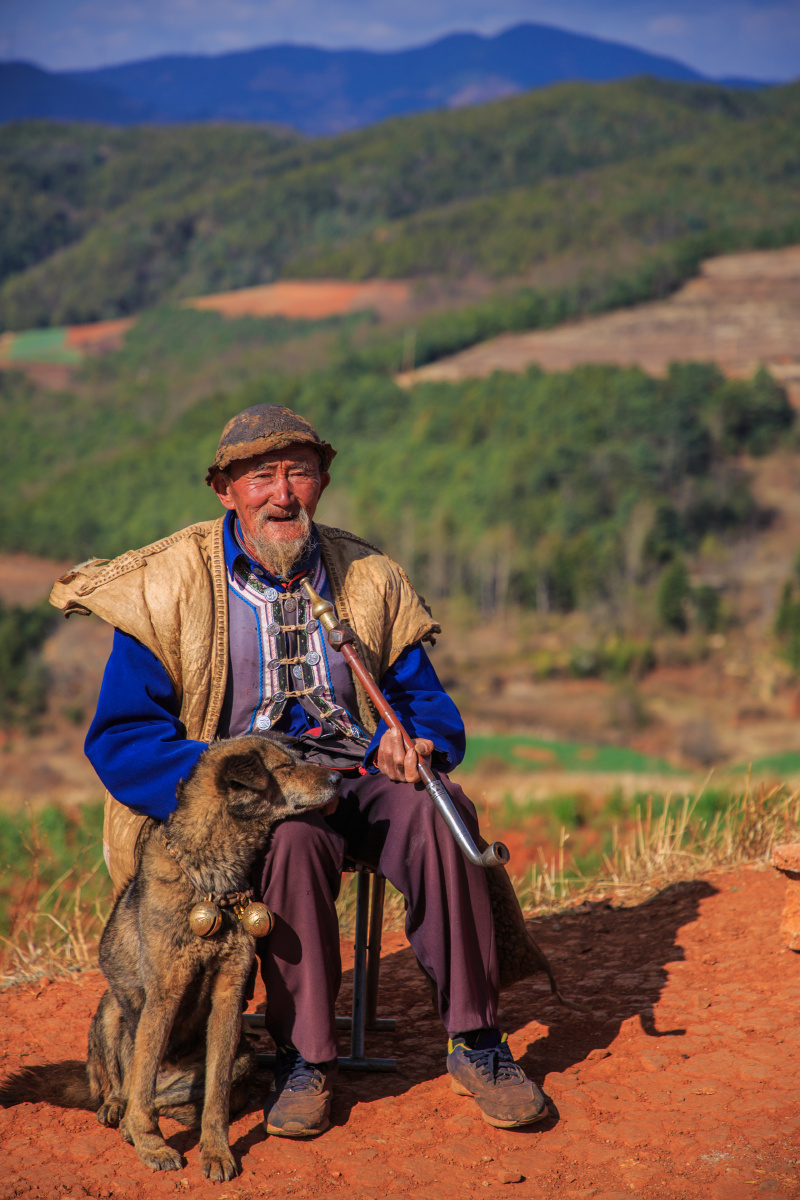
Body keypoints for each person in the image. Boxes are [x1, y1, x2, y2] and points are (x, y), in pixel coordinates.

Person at [50, 404, 547, 1137]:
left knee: (443, 814)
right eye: (261, 476)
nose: (283, 493)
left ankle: (477, 1040)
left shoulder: (368, 576)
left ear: (321, 481)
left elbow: (429, 710)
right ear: (225, 490)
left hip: (362, 778)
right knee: (292, 844)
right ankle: (305, 1060)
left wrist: (414, 744)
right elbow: (125, 739)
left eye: (300, 472)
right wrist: (233, 781)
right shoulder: (168, 585)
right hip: (257, 802)